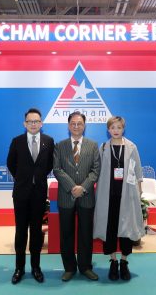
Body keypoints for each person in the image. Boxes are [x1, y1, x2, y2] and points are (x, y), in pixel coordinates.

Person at [6, 108, 55, 284]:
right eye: (30, 121)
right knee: (20, 231)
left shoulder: (49, 141)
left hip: (39, 194)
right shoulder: (17, 141)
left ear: (41, 123)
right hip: (21, 193)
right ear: (24, 123)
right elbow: (11, 163)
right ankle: (19, 268)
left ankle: (36, 267)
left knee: (36, 231)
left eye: (36, 121)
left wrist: (37, 178)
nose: (33, 124)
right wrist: (24, 179)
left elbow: (50, 164)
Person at [93, 116, 144, 281]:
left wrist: (139, 190)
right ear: (108, 129)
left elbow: (138, 170)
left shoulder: (131, 147)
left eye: (119, 127)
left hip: (127, 195)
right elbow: (96, 170)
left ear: (123, 129)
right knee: (110, 228)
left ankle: (124, 262)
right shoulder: (103, 147)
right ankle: (113, 262)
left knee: (126, 229)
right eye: (112, 127)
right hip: (107, 196)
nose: (116, 130)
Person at [53, 111, 101, 282]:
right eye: (73, 123)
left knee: (86, 234)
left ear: (84, 125)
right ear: (68, 125)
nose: (76, 126)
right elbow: (57, 169)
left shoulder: (93, 145)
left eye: (79, 123)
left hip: (86, 196)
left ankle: (85, 267)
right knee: (66, 234)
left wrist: (83, 187)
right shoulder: (60, 146)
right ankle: (69, 268)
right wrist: (73, 187)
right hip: (66, 196)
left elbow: (96, 170)